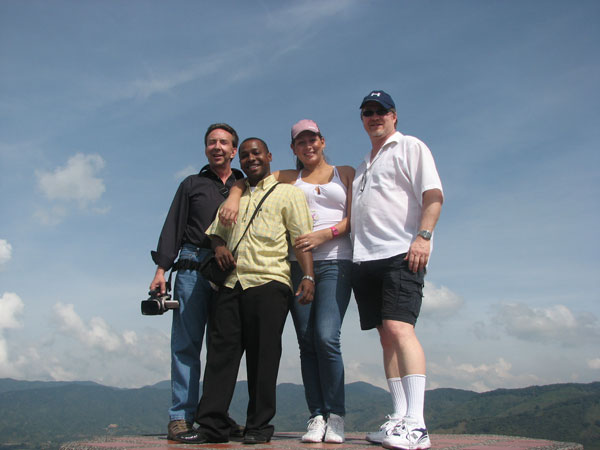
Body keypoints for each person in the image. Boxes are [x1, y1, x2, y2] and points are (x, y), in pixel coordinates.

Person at [219, 120, 355, 443]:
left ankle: (335, 414)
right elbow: (251, 178)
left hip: (335, 261)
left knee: (326, 337)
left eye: (313, 140)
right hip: (297, 265)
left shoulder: (345, 173)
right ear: (293, 148)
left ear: (322, 141)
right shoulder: (289, 177)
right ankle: (316, 415)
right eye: (301, 142)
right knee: (306, 342)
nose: (308, 146)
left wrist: (325, 234)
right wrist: (234, 194)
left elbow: (355, 216)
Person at [175, 137, 315, 445]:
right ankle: (211, 427)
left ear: (269, 156)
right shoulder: (233, 198)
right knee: (220, 356)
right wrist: (219, 247)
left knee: (264, 356)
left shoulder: (288, 193)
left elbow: (301, 239)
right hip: (230, 283)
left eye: (257, 153)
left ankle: (259, 427)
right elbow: (215, 233)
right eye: (247, 155)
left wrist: (308, 276)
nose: (251, 158)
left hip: (269, 281)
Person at [351, 90, 443, 450]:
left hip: (401, 252)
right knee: (385, 336)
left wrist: (423, 236)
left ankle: (417, 424)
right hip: (366, 258)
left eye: (381, 110)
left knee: (400, 328)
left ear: (394, 116)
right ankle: (400, 418)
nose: (374, 116)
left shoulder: (410, 147)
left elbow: (433, 195)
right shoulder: (363, 165)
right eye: (367, 112)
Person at [149, 123, 244, 441]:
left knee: (223, 348)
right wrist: (161, 269)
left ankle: (215, 416)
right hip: (192, 266)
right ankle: (180, 417)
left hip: (232, 268)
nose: (217, 147)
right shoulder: (192, 184)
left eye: (224, 142)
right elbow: (174, 225)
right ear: (206, 148)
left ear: (234, 150)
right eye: (211, 142)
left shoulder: (245, 185)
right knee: (186, 344)